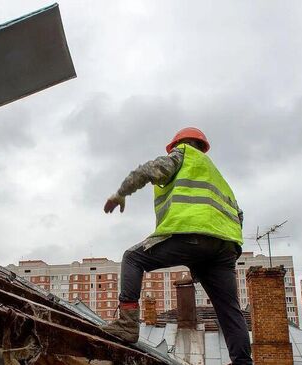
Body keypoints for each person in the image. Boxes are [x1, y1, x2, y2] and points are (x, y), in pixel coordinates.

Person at [102, 127, 252, 365]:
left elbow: (148, 170)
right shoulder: (217, 176)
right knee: (229, 309)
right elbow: (239, 215)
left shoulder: (183, 155)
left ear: (177, 145)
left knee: (132, 258)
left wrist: (121, 193)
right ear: (204, 148)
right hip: (225, 247)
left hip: (193, 234)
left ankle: (127, 324)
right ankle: (242, 362)